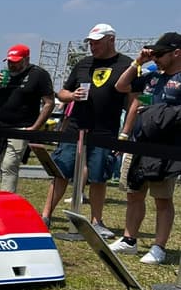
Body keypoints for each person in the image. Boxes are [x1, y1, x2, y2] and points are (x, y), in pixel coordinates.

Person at [41, 23, 134, 236]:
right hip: (75, 127)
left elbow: (132, 102)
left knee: (98, 176)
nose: (93, 47)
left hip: (105, 130)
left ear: (111, 40)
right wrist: (70, 96)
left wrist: (125, 133)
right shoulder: (83, 63)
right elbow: (62, 91)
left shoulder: (126, 64)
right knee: (61, 171)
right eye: (90, 43)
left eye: (97, 42)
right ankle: (46, 215)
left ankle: (96, 221)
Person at [109, 32, 181, 264]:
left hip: (166, 149)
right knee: (134, 194)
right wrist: (138, 62)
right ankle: (129, 240)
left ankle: (159, 247)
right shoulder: (151, 76)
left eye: (160, 53)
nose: (155, 57)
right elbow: (121, 86)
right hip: (139, 143)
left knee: (162, 199)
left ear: (176, 53)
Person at [0, 44, 54, 193]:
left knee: (9, 166)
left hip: (21, 127)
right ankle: (6, 196)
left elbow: (49, 103)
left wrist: (35, 127)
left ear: (26, 60)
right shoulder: (4, 75)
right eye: (9, 61)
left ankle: (6, 204)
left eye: (15, 61)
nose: (11, 65)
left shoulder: (38, 74)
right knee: (2, 166)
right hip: (0, 127)